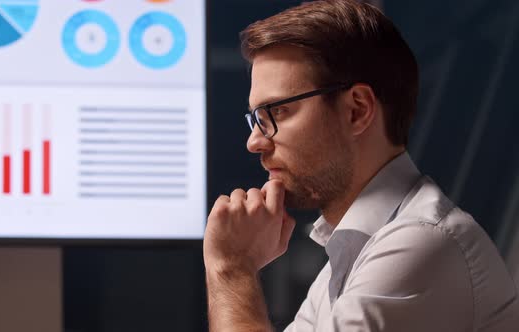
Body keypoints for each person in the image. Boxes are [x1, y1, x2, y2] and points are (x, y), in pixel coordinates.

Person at [203, 0, 519, 331]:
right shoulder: (351, 261)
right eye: (255, 118)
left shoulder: (421, 244)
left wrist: (231, 268)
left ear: (357, 109)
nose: (254, 142)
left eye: (277, 112)